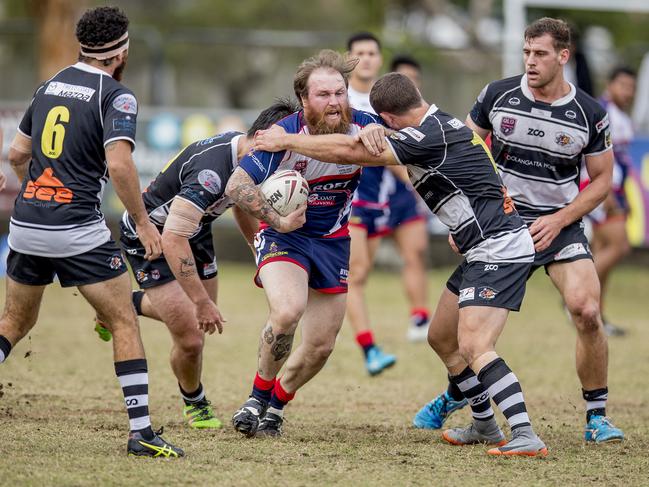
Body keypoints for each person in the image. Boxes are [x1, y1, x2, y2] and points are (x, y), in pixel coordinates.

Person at [254, 72, 548, 457]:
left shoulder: (425, 136)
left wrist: (287, 138)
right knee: (441, 337)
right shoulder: (437, 124)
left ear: (387, 118)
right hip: (483, 244)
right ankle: (484, 424)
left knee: (475, 343)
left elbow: (350, 153)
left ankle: (525, 434)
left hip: (499, 248)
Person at [415, 17, 624, 444]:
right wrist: (464, 221)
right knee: (444, 334)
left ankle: (597, 416)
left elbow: (602, 180)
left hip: (558, 226)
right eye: (527, 52)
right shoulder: (498, 95)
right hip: (498, 225)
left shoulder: (590, 113)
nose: (530, 61)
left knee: (586, 310)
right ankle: (461, 393)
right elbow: (462, 157)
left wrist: (561, 219)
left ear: (563, 56)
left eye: (540, 53)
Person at [0, 7, 183, 457]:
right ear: (121, 49)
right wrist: (143, 223)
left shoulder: (49, 86)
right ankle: (141, 433)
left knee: (14, 323)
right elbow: (120, 165)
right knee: (122, 320)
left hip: (25, 224)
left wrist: (37, 194)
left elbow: (17, 154)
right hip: (78, 229)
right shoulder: (116, 95)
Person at [92, 102, 302, 431]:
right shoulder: (212, 170)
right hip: (153, 232)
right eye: (285, 147)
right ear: (262, 137)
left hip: (195, 229)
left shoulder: (249, 158)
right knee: (191, 331)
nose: (286, 157)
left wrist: (257, 249)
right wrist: (200, 301)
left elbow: (241, 202)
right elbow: (174, 238)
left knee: (200, 322)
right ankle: (195, 401)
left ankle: (120, 305)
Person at [226, 50, 378, 437]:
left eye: (340, 93)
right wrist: (276, 219)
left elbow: (401, 146)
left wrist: (383, 134)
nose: (334, 103)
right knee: (288, 311)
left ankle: (276, 406)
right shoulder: (279, 135)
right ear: (304, 100)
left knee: (321, 347)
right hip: (285, 237)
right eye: (324, 95)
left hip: (333, 242)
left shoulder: (363, 125)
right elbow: (236, 186)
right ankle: (256, 398)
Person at [347, 33, 431, 378]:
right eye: (359, 53)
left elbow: (399, 154)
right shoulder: (340, 98)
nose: (366, 59)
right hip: (349, 197)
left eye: (372, 53)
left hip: (382, 196)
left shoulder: (388, 102)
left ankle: (419, 317)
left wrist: (419, 185)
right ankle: (369, 349)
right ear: (349, 58)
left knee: (415, 252)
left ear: (380, 59)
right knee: (357, 272)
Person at [587, 67, 636, 336]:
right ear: (610, 84)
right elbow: (593, 158)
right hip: (604, 192)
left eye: (632, 87)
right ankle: (577, 292)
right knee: (620, 246)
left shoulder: (620, 117)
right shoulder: (600, 113)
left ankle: (596, 313)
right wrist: (604, 191)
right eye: (623, 85)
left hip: (613, 190)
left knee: (603, 249)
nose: (627, 92)